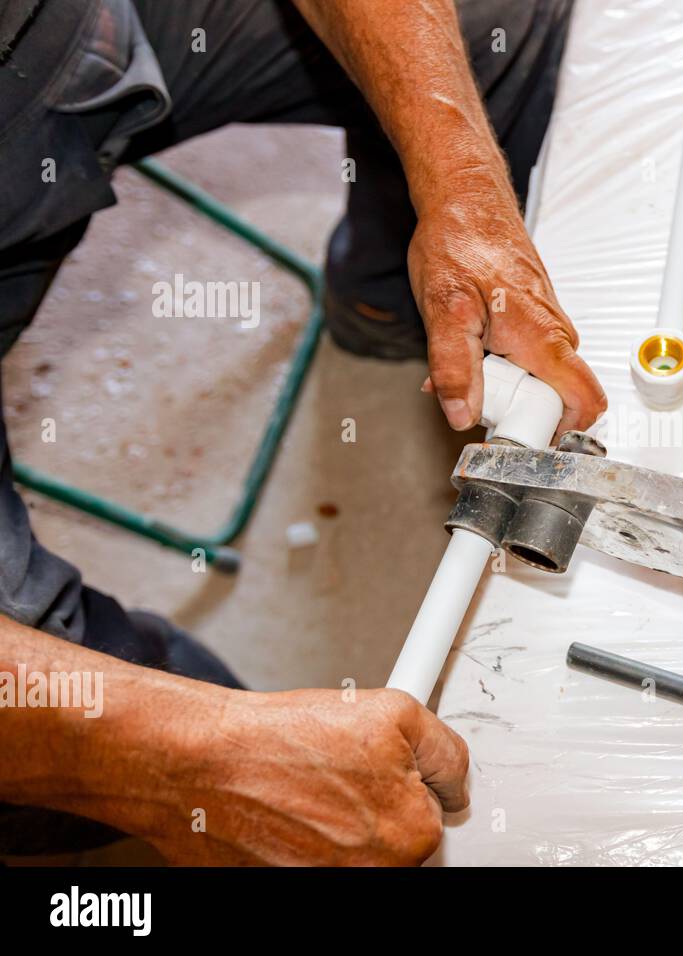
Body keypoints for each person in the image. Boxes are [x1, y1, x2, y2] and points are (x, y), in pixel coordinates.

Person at [0, 0, 607, 864]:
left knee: (497, 30)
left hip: (54, 39)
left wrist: (460, 186)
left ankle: (385, 303)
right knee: (139, 701)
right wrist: (182, 763)